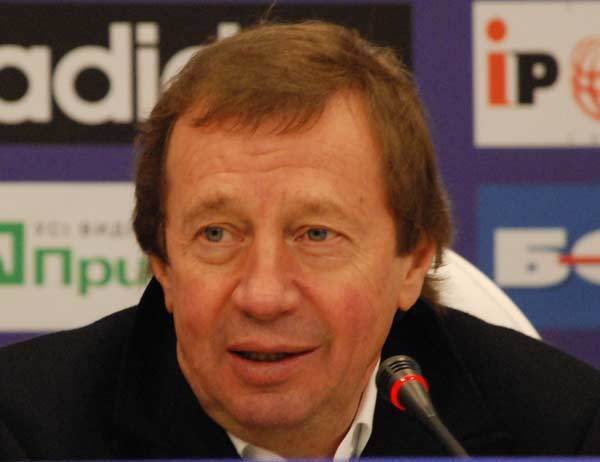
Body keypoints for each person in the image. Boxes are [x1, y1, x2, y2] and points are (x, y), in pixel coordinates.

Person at [0, 20, 599, 460]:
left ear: (414, 262)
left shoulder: (562, 429)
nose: (263, 296)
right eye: (216, 233)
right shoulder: (25, 431)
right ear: (163, 264)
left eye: (316, 234)